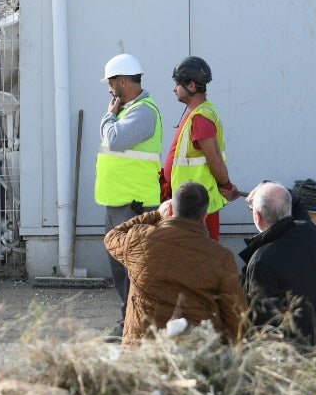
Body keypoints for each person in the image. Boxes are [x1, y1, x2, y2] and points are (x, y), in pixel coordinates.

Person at [103, 181, 248, 348]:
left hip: (142, 352)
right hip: (196, 353)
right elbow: (234, 313)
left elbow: (112, 236)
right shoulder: (222, 256)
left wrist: (156, 214)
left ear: (170, 210)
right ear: (204, 216)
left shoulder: (139, 239)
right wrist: (229, 351)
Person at [96, 52, 163, 336]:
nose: (109, 90)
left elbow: (115, 139)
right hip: (119, 202)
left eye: (111, 84)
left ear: (123, 82)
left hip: (134, 205)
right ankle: (129, 320)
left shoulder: (143, 111)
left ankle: (137, 324)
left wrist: (108, 116)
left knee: (133, 267)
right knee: (122, 267)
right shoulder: (129, 110)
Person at [239, 182, 316, 353]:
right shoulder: (308, 232)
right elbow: (297, 205)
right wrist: (266, 185)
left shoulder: (261, 260)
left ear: (257, 216)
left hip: (290, 357)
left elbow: (262, 321)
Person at [162, 55, 238, 241]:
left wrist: (227, 186)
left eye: (177, 83)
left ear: (191, 85)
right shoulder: (197, 114)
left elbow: (215, 160)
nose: (174, 88)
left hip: (197, 205)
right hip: (190, 202)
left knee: (202, 255)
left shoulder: (201, 118)